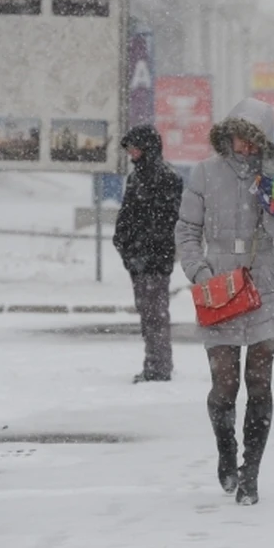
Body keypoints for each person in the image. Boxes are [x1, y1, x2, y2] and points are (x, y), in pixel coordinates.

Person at [176, 97, 274, 506]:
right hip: (220, 284)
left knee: (259, 380)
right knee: (225, 385)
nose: (243, 146)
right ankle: (227, 452)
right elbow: (187, 231)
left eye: (252, 140)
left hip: (265, 284)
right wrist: (200, 273)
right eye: (238, 137)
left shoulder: (272, 175)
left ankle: (251, 472)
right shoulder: (204, 174)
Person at [113, 125, 183, 383]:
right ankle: (154, 362)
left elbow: (165, 222)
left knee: (155, 314)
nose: (131, 153)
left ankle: (159, 366)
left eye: (135, 148)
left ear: (147, 148)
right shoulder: (137, 177)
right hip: (139, 258)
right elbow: (127, 216)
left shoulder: (166, 178)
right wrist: (124, 244)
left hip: (154, 259)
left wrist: (140, 245)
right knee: (147, 312)